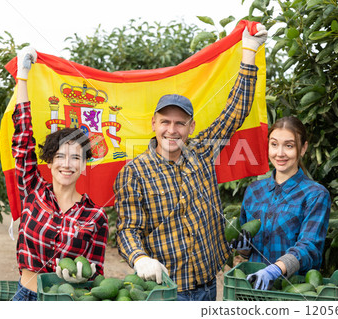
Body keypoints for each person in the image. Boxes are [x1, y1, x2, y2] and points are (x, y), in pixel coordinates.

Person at [114, 24, 268, 301]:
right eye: (165, 122)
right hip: (168, 292)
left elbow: (236, 111)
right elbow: (128, 229)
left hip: (208, 285)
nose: (172, 130)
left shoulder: (202, 152)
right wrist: (139, 259)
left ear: (191, 126)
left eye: (180, 123)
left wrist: (249, 51)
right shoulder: (134, 172)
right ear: (154, 123)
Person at [11, 47, 109, 301]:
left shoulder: (95, 216)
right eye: (61, 156)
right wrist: (23, 75)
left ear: (84, 165)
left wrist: (84, 276)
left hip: (66, 302)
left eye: (76, 157)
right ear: (51, 161)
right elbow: (23, 138)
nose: (68, 164)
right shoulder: (34, 190)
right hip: (26, 296)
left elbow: (97, 272)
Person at [232, 116, 331, 290]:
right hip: (253, 288)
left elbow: (310, 247)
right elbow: (248, 251)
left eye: (289, 146)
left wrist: (275, 270)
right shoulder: (254, 191)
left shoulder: (315, 194)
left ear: (303, 149)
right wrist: (243, 248)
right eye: (274, 144)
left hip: (293, 291)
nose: (280, 153)